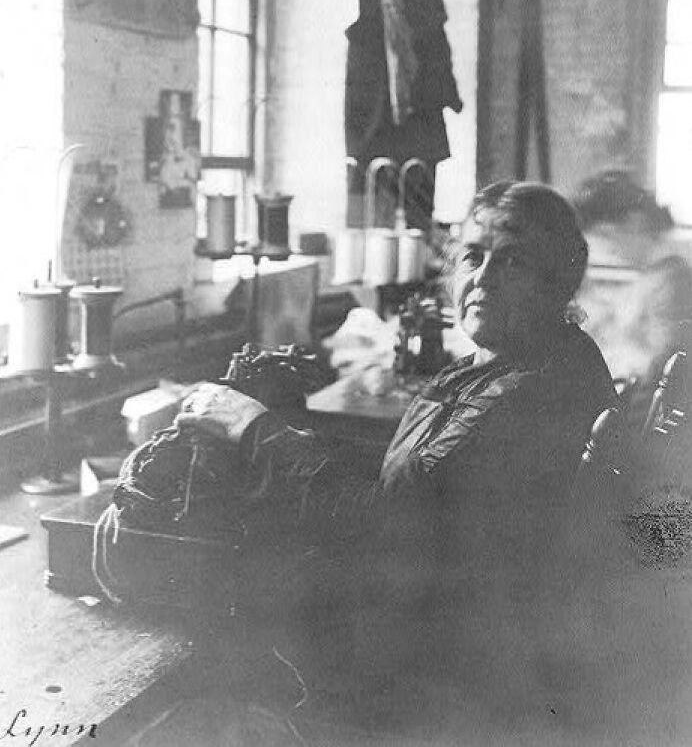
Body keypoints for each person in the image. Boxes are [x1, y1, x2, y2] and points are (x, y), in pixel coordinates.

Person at [155, 181, 617, 740]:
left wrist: (252, 428)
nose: (483, 278)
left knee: (207, 635)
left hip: (451, 660)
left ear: (555, 283)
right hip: (467, 619)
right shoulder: (523, 358)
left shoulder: (525, 390)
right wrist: (287, 437)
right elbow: (422, 475)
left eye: (513, 260)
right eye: (473, 256)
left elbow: (392, 520)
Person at [572, 169, 692, 418]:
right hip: (629, 397)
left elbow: (664, 364)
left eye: (609, 236)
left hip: (642, 414)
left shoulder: (671, 279)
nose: (611, 248)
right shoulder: (649, 276)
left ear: (635, 223)